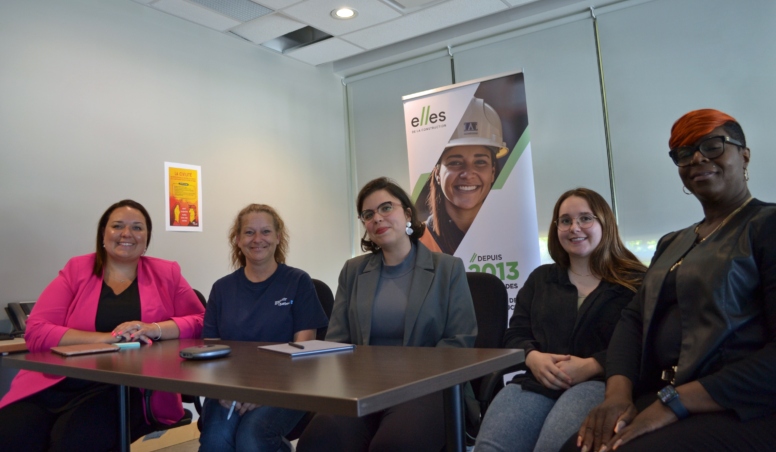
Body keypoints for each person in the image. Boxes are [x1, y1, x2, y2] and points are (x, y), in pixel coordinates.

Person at [567, 109, 776, 452]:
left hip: (738, 402)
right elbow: (633, 321)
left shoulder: (767, 225)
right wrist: (617, 396)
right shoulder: (671, 242)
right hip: (666, 392)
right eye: (684, 152)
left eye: (712, 145)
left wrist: (674, 403)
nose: (696, 158)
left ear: (745, 155)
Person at [0, 200, 205, 452]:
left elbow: (201, 321)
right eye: (117, 226)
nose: (126, 234)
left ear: (147, 237)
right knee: (11, 434)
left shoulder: (167, 273)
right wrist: (108, 338)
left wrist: (155, 328)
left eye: (137, 228)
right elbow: (36, 331)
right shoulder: (77, 269)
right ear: (103, 233)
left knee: (73, 442)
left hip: (124, 389)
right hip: (58, 382)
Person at [296, 177, 478, 452]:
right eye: (368, 214)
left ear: (406, 213)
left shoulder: (447, 269)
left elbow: (459, 341)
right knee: (317, 441)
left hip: (426, 387)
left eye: (385, 208)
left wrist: (405, 376)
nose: (377, 218)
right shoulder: (353, 271)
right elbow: (336, 341)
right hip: (363, 388)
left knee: (394, 445)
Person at [474, 188, 645, 452]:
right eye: (565, 221)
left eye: (585, 218)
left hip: (601, 385)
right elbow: (515, 334)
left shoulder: (636, 282)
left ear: (605, 223)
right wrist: (533, 357)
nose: (574, 228)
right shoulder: (541, 279)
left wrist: (593, 365)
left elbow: (644, 343)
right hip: (536, 382)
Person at [198, 204, 329, 452]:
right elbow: (212, 349)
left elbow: (305, 351)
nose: (258, 239)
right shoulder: (221, 288)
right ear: (237, 240)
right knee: (215, 440)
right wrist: (223, 388)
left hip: (286, 386)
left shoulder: (298, 282)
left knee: (251, 437)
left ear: (278, 238)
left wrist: (264, 390)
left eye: (266, 232)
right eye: (249, 233)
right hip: (231, 386)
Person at [420, 97, 507, 255]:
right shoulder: (417, 243)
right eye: (455, 163)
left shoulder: (512, 235)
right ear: (438, 174)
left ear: (493, 172)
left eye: (480, 162)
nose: (468, 174)